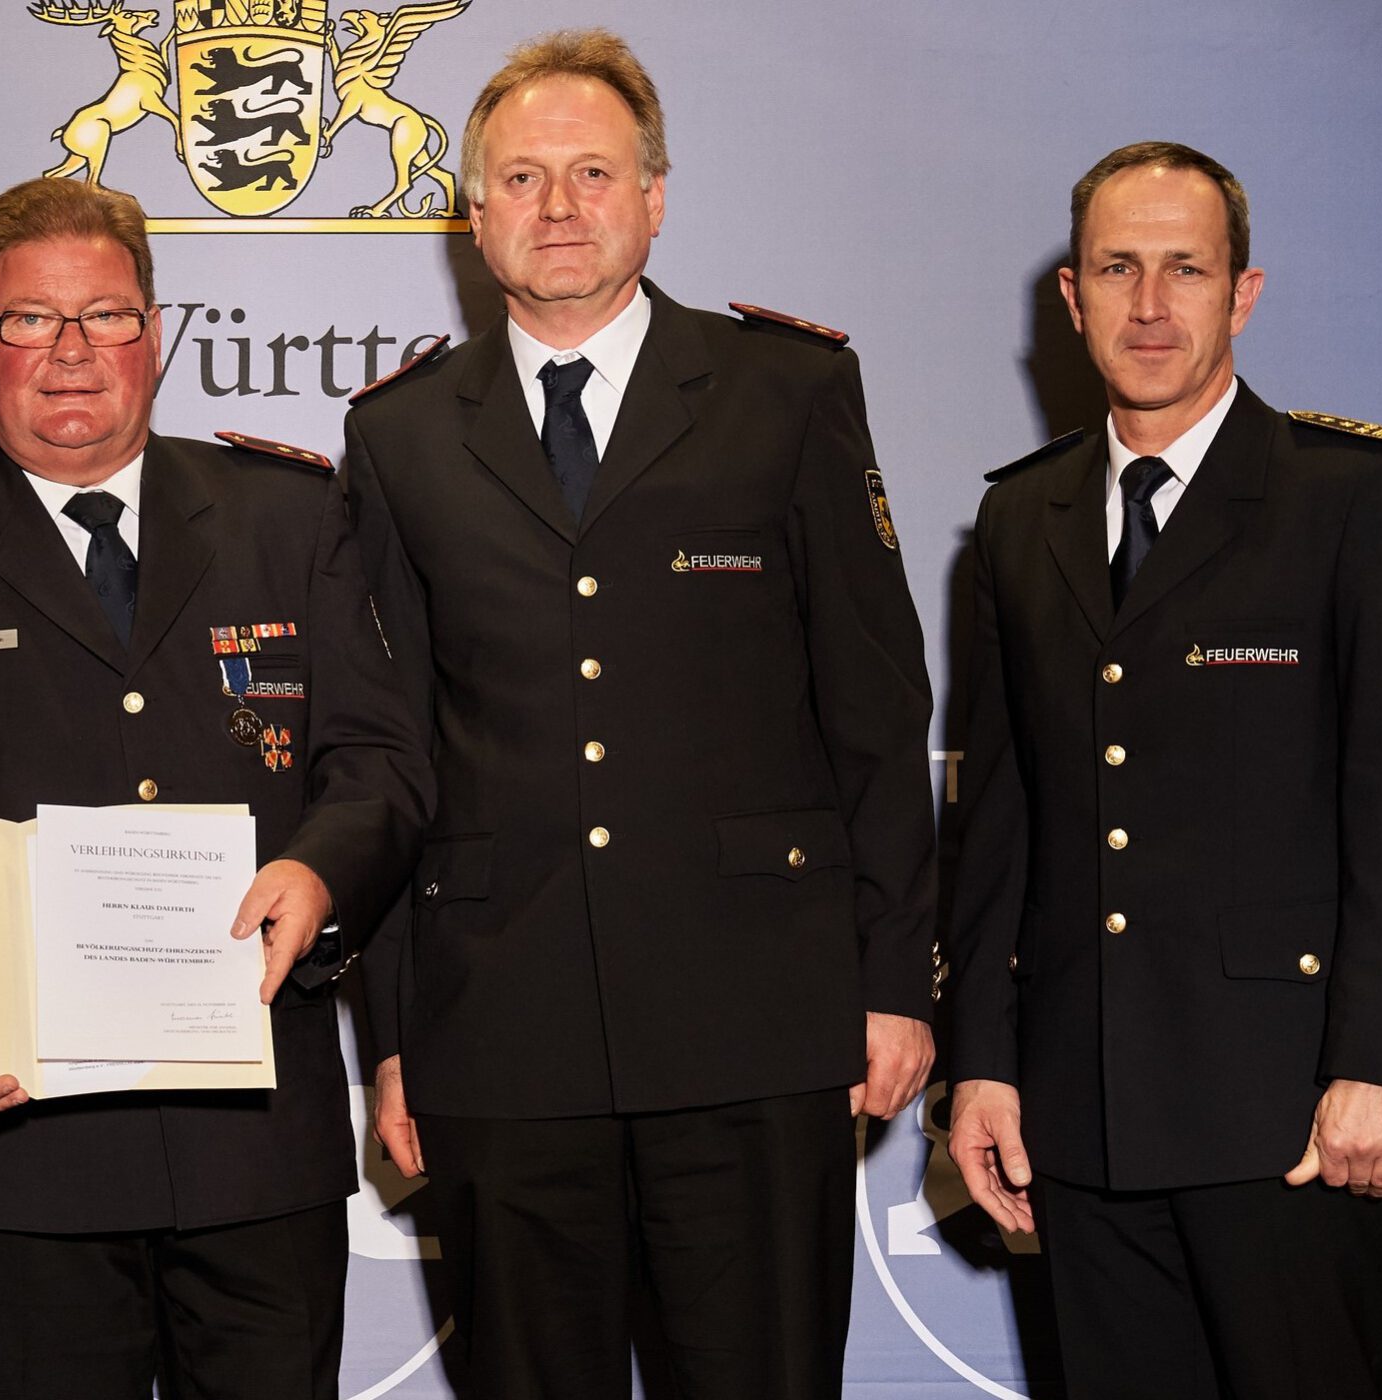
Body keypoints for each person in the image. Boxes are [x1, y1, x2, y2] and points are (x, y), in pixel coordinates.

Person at [341, 30, 940, 1398]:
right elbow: (389, 757)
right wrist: (388, 1034)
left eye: (593, 172)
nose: (558, 207)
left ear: (656, 196)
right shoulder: (401, 435)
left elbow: (875, 705)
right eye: (523, 177)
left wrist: (896, 978)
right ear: (474, 212)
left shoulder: (785, 395)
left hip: (754, 1018)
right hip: (499, 1030)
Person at [0, 176, 431, 1400]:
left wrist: (319, 867)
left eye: (106, 316)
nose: (72, 352)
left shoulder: (288, 516)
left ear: (157, 335)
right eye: (32, 320)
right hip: (20, 1151)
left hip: (253, 1140)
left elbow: (380, 760)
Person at [941, 141, 1382, 1400]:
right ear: (1069, 298)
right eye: (1116, 267)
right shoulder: (1024, 518)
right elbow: (999, 824)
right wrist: (986, 1059)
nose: (1147, 304)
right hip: (1080, 1120)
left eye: (1185, 268)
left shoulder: (1353, 496)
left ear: (1242, 294)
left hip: (1288, 1115)